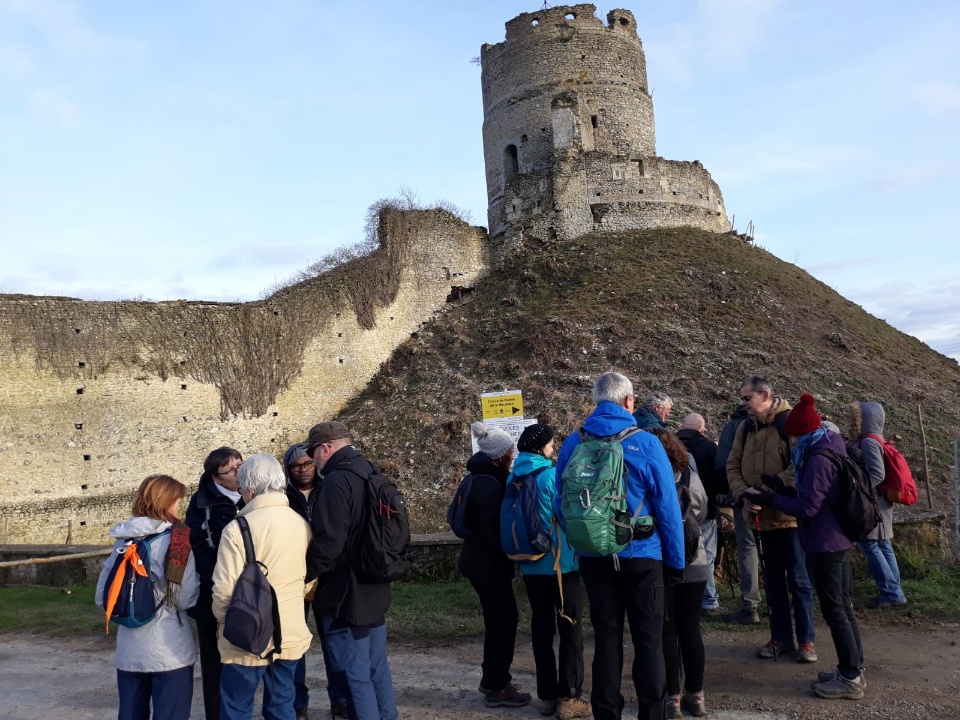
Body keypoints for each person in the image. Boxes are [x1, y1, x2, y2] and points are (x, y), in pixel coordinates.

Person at [555, 372, 685, 720]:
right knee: (649, 642)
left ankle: (607, 714)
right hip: (642, 556)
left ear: (596, 402)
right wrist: (675, 562)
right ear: (629, 402)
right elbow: (668, 508)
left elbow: (560, 502)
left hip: (594, 557)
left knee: (607, 640)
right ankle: (652, 714)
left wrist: (582, 540)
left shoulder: (573, 442)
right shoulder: (646, 442)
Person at [746, 394, 866, 700]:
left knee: (835, 610)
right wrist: (782, 487)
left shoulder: (817, 458)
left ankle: (850, 678)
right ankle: (852, 669)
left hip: (826, 543)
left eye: (793, 434)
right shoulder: (831, 446)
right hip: (839, 538)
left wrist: (771, 499)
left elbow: (809, 506)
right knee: (844, 607)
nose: (792, 439)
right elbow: (817, 496)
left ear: (801, 432)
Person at [304, 422, 400, 720]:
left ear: (326, 448)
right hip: (375, 584)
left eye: (313, 454)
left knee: (356, 676)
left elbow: (330, 542)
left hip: (346, 594)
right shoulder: (372, 473)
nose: (313, 462)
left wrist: (304, 574)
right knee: (377, 668)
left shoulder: (336, 481)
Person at [212, 453, 314, 719]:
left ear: (251, 489)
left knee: (236, 706)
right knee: (282, 705)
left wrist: (224, 624)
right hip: (289, 633)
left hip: (246, 634)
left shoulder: (237, 529)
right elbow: (309, 577)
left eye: (243, 488)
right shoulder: (300, 523)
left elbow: (223, 589)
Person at [95, 474, 200, 720]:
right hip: (170, 648)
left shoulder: (123, 540)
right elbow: (186, 598)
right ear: (165, 502)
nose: (179, 506)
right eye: (176, 500)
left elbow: (102, 596)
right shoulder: (177, 541)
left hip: (130, 650)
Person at [727, 375, 816, 663]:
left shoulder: (788, 423)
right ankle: (781, 637)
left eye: (746, 397)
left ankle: (807, 641)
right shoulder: (745, 427)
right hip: (760, 518)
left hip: (789, 518)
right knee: (774, 582)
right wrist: (744, 495)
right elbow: (732, 466)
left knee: (799, 580)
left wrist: (763, 493)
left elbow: (798, 467)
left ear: (764, 395)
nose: (743, 403)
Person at [511, 423, 591, 720]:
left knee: (542, 629)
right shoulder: (549, 476)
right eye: (550, 443)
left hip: (531, 565)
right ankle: (569, 698)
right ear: (540, 447)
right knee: (570, 629)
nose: (553, 447)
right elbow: (568, 514)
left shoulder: (514, 475)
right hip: (561, 566)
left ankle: (546, 697)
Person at [455, 421, 531, 708]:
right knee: (503, 621)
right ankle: (497, 687)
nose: (513, 452)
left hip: (476, 561)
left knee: (499, 620)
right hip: (488, 565)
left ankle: (492, 679)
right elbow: (493, 533)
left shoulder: (477, 476)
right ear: (499, 455)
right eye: (510, 449)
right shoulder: (490, 485)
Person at [283, 442, 350, 719]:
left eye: (307, 463)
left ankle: (341, 700)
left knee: (334, 643)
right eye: (296, 465)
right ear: (288, 470)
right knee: (294, 645)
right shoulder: (283, 497)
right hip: (294, 579)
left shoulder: (329, 489)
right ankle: (298, 703)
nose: (303, 469)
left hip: (328, 577)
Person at [647, 427, 710, 718]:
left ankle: (672, 697)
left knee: (667, 630)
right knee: (690, 629)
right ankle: (695, 695)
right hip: (694, 560)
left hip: (661, 560)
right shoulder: (690, 476)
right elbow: (703, 512)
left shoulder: (647, 476)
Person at [184, 446, 245, 720]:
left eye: (240, 465)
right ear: (216, 478)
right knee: (215, 662)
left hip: (251, 591)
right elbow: (196, 549)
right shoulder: (200, 504)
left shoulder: (252, 496)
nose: (238, 472)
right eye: (230, 470)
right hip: (213, 592)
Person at [846, 402, 909, 609]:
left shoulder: (869, 443)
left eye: (858, 416)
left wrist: (861, 491)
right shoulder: (875, 439)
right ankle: (894, 590)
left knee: (871, 544)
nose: (854, 420)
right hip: (880, 502)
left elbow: (878, 473)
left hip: (873, 503)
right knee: (883, 545)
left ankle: (891, 592)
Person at [715, 403, 760, 624]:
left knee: (748, 549)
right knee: (776, 547)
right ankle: (784, 600)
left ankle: (750, 606)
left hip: (742, 496)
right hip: (774, 497)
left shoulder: (732, 427)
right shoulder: (775, 424)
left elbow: (722, 464)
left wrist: (730, 492)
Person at [676, 413, 722, 616]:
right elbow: (721, 477)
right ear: (702, 429)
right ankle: (709, 600)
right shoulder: (710, 447)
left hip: (678, 511)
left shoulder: (670, 444)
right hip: (707, 509)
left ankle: (682, 597)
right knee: (707, 557)